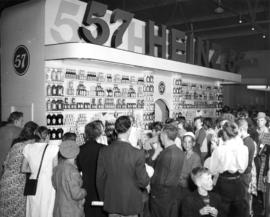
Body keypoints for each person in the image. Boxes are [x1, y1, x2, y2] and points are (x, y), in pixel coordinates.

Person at [96, 115, 150, 217]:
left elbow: (100, 180)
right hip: (131, 203)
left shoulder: (104, 151)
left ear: (115, 130)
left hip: (112, 202)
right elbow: (143, 181)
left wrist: (104, 198)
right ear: (129, 130)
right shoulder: (137, 153)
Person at [207, 121, 248, 217]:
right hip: (238, 181)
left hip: (223, 183)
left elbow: (212, 170)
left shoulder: (219, 150)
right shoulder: (243, 148)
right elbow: (242, 169)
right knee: (238, 211)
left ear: (225, 133)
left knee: (222, 211)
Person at [0, 121, 38, 217]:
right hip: (17, 184)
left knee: (6, 210)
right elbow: (28, 168)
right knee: (17, 211)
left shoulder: (16, 145)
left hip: (5, 180)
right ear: (34, 134)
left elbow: (5, 163)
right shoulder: (29, 148)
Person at [149, 124, 185, 217]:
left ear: (164, 135)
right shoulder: (180, 152)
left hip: (160, 194)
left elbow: (157, 176)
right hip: (173, 192)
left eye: (160, 135)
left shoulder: (166, 153)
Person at [22, 126, 59, 217]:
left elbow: (23, 169)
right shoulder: (53, 148)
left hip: (33, 182)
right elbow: (55, 169)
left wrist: (35, 170)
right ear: (47, 136)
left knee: (33, 209)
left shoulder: (28, 147)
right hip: (48, 183)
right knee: (46, 209)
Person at [77, 121, 107, 217]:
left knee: (88, 212)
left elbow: (77, 169)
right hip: (102, 187)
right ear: (99, 134)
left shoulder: (80, 150)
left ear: (86, 134)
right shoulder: (104, 149)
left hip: (86, 186)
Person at [52, 140, 87, 217]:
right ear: (76, 154)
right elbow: (76, 194)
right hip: (71, 210)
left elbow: (55, 185)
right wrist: (84, 191)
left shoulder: (57, 168)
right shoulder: (72, 171)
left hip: (59, 208)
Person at [236, 118, 256, 217]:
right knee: (244, 197)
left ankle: (247, 214)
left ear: (242, 129)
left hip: (244, 173)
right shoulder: (247, 140)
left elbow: (243, 162)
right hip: (245, 172)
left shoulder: (246, 142)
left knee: (244, 198)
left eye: (237, 130)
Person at [0, 111, 23, 175]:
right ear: (16, 121)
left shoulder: (1, 129)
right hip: (12, 165)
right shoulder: (20, 131)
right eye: (21, 121)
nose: (22, 123)